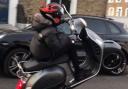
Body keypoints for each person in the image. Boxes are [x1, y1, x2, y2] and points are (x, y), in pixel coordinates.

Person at [30, 2, 90, 81]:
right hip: (45, 55)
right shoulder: (49, 31)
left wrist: (65, 20)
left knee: (67, 42)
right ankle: (78, 73)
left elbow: (53, 22)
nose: (59, 16)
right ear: (52, 16)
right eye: (58, 15)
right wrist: (69, 40)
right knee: (71, 45)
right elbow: (57, 47)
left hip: (38, 49)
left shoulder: (42, 22)